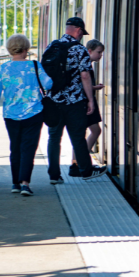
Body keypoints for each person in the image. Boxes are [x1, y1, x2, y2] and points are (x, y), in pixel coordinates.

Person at [0, 35, 54, 197]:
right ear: (26, 48)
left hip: (11, 115)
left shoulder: (4, 68)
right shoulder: (34, 66)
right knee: (28, 149)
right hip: (34, 113)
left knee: (15, 148)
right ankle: (25, 184)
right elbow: (48, 84)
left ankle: (15, 183)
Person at [39, 17, 98, 184]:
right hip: (74, 102)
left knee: (54, 138)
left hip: (54, 100)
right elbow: (85, 76)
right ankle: (86, 171)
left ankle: (54, 175)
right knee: (78, 137)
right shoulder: (80, 49)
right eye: (82, 34)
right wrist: (90, 100)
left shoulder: (52, 46)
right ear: (78, 30)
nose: (81, 37)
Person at [84, 39, 107, 170]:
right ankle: (82, 162)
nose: (100, 55)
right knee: (94, 131)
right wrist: (94, 88)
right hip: (88, 102)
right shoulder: (85, 64)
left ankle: (82, 162)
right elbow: (82, 84)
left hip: (87, 101)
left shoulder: (87, 63)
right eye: (99, 52)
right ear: (90, 51)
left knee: (90, 132)